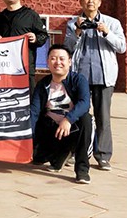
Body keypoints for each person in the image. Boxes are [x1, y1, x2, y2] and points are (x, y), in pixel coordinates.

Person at [64, 0, 126, 171]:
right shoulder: (73, 23)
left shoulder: (112, 23)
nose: (90, 0)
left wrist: (107, 32)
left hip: (103, 76)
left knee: (103, 117)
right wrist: (77, 31)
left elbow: (122, 47)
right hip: (80, 76)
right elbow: (67, 48)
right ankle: (76, 152)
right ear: (80, 2)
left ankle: (103, 155)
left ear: (99, 2)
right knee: (78, 115)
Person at [31, 44, 93, 184]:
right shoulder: (43, 84)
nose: (57, 62)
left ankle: (82, 170)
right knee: (37, 158)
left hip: (72, 128)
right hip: (51, 128)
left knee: (86, 119)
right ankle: (58, 156)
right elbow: (34, 112)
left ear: (69, 62)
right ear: (48, 62)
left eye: (61, 59)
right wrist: (27, 139)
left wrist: (68, 119)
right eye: (53, 58)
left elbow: (85, 103)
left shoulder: (78, 80)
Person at [0, 0, 48, 93]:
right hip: (4, 69)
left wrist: (35, 38)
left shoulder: (31, 15)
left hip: (25, 69)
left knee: (27, 100)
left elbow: (43, 35)